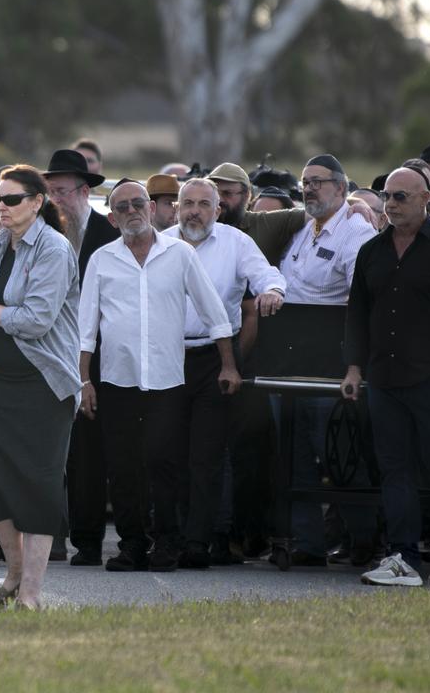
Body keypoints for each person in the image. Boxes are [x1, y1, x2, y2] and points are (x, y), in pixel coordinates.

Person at [78, 180, 237, 573]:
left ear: (151, 208)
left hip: (167, 379)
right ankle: (132, 544)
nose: (132, 211)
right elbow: (85, 327)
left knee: (164, 462)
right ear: (112, 218)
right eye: (122, 207)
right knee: (122, 467)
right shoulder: (102, 259)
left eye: (138, 203)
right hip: (118, 379)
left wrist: (228, 364)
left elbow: (213, 311)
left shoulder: (180, 254)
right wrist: (84, 381)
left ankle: (168, 542)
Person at [0, 164, 79, 609]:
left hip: (44, 384)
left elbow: (37, 320)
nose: (1, 208)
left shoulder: (54, 249)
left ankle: (30, 595)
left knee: (38, 487)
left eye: (11, 200)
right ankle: (15, 570)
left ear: (37, 202)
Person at [162, 178, 285, 568]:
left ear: (218, 210)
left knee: (207, 453)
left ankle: (198, 542)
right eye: (187, 203)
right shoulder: (160, 243)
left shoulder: (236, 242)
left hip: (216, 357)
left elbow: (266, 274)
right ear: (176, 208)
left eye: (204, 204)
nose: (194, 211)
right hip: (165, 357)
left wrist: (273, 291)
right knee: (167, 452)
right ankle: (170, 537)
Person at [343, 166, 430, 587]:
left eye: (400, 197)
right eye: (387, 196)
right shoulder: (372, 251)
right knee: (394, 469)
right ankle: (403, 557)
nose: (390, 204)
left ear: (426, 197)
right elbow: (358, 313)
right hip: (385, 378)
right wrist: (354, 367)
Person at [277, 154, 378, 567]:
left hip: (332, 362)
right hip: (291, 360)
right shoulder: (305, 228)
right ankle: (308, 543)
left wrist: (354, 363)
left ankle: (365, 539)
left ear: (340, 186)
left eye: (317, 181)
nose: (309, 189)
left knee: (338, 453)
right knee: (295, 455)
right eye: (305, 182)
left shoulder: (356, 231)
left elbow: (361, 299)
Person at [41, 148, 118, 566]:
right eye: (49, 192)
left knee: (89, 454)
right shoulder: (41, 234)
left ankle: (88, 541)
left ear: (85, 192)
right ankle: (47, 535)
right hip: (50, 353)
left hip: (100, 357)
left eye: (62, 192)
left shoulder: (109, 233)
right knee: (50, 452)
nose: (55, 200)